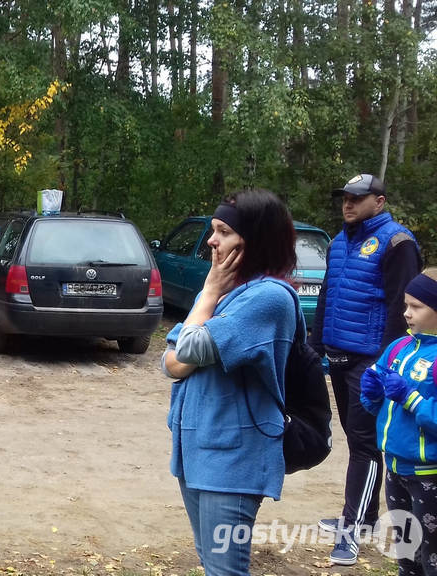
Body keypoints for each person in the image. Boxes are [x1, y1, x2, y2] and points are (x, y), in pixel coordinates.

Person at [163, 189, 299, 575]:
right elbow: (169, 362)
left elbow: (185, 348)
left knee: (225, 570)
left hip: (235, 460)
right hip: (197, 449)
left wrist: (206, 293)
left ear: (252, 241)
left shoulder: (268, 298)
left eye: (223, 231)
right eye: (213, 230)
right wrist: (191, 340)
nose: (211, 240)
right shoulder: (229, 294)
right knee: (210, 565)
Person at [309, 173, 422, 565]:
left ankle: (351, 529)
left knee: (364, 446)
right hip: (338, 359)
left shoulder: (397, 242)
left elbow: (402, 307)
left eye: (358, 198)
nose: (348, 204)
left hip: (370, 362)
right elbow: (328, 294)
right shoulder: (339, 242)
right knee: (357, 440)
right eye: (345, 197)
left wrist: (386, 363)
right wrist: (314, 344)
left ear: (380, 201)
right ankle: (367, 517)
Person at [360, 268, 437, 576]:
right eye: (406, 305)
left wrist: (411, 398)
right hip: (394, 468)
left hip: (429, 475)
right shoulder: (398, 348)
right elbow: (379, 406)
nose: (406, 313)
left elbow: (414, 406)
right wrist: (372, 395)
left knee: (432, 556)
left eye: (416, 306)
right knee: (406, 554)